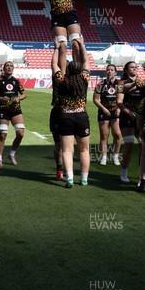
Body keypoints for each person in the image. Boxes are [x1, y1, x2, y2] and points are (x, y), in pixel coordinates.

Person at [51, 38, 90, 188]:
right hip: (81, 116)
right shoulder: (84, 78)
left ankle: (70, 179)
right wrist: (82, 45)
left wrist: (56, 48)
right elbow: (86, 61)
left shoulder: (61, 80)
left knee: (67, 150)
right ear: (79, 70)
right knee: (84, 149)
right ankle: (85, 179)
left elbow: (54, 65)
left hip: (65, 116)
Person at [0, 61, 26, 167]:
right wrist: (1, 98)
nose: (9, 68)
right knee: (3, 135)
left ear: (13, 68)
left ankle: (11, 154)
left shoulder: (16, 81)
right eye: (7, 66)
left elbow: (24, 94)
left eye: (11, 66)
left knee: (20, 134)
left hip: (15, 110)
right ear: (4, 68)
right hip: (3, 110)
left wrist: (18, 98)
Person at [116, 61, 145, 183]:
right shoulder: (122, 82)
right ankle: (123, 172)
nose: (134, 69)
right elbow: (119, 102)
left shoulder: (143, 81)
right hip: (127, 117)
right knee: (128, 145)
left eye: (135, 67)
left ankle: (141, 174)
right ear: (126, 70)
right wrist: (128, 112)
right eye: (131, 67)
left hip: (140, 117)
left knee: (143, 146)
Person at [93, 64, 121, 166]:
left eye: (112, 70)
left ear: (115, 72)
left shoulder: (119, 84)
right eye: (108, 70)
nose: (109, 71)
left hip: (115, 111)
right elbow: (95, 99)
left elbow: (123, 99)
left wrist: (119, 108)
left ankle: (115, 156)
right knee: (104, 135)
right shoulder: (101, 84)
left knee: (117, 135)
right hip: (104, 111)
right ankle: (104, 157)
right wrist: (103, 109)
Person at [49, 40, 67, 180]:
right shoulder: (59, 78)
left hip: (69, 113)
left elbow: (54, 64)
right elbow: (54, 65)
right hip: (59, 112)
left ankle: (67, 169)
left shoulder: (75, 78)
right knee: (59, 144)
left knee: (66, 144)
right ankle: (60, 169)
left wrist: (57, 47)